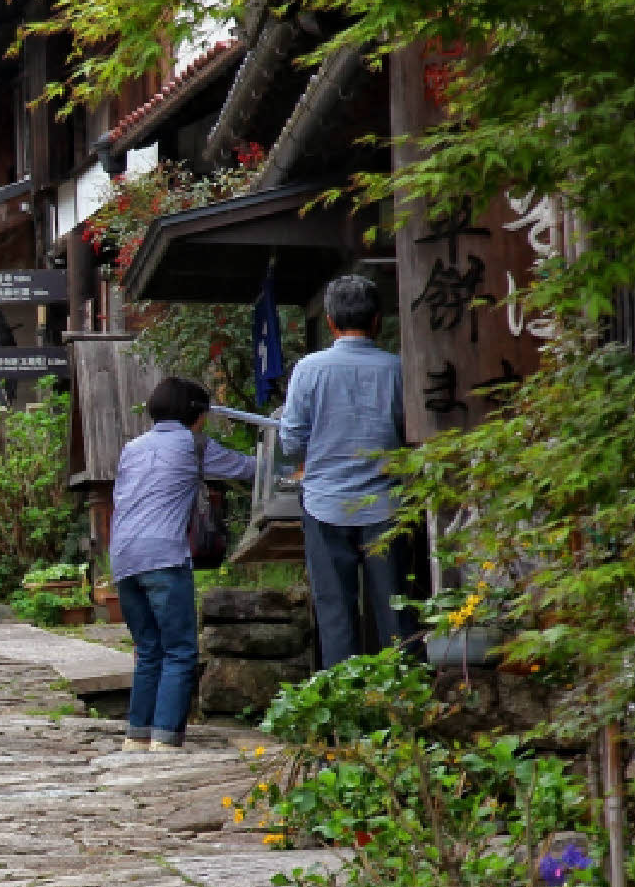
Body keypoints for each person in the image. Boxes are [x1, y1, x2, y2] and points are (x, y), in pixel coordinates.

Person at [108, 376, 258, 753]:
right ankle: (166, 739)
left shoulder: (132, 447)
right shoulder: (193, 444)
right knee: (179, 650)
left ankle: (137, 735)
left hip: (123, 556)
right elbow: (246, 468)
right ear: (196, 414)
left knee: (149, 648)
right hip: (163, 556)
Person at [280, 273, 413, 667]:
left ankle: (343, 702)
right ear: (378, 321)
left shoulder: (309, 369)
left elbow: (291, 441)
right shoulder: (398, 369)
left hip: (324, 503)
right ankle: (404, 693)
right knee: (394, 606)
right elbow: (412, 433)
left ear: (330, 322)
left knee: (335, 608)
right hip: (387, 504)